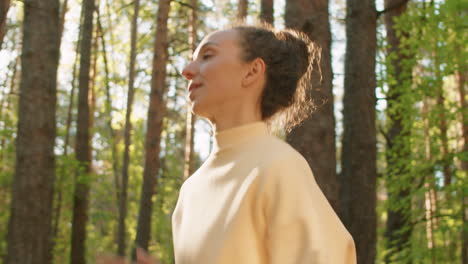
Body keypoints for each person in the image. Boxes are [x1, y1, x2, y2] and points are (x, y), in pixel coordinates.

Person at [171, 22, 357, 264]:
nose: (187, 70)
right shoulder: (190, 191)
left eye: (207, 55)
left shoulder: (279, 167)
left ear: (251, 71)